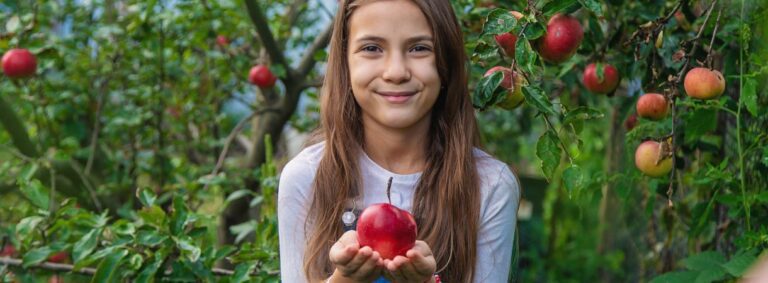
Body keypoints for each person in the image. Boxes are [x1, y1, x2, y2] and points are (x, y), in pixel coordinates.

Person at [277, 0, 521, 282]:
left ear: (446, 62)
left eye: (419, 48)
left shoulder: (489, 185)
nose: (395, 71)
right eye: (371, 48)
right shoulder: (307, 178)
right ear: (345, 61)